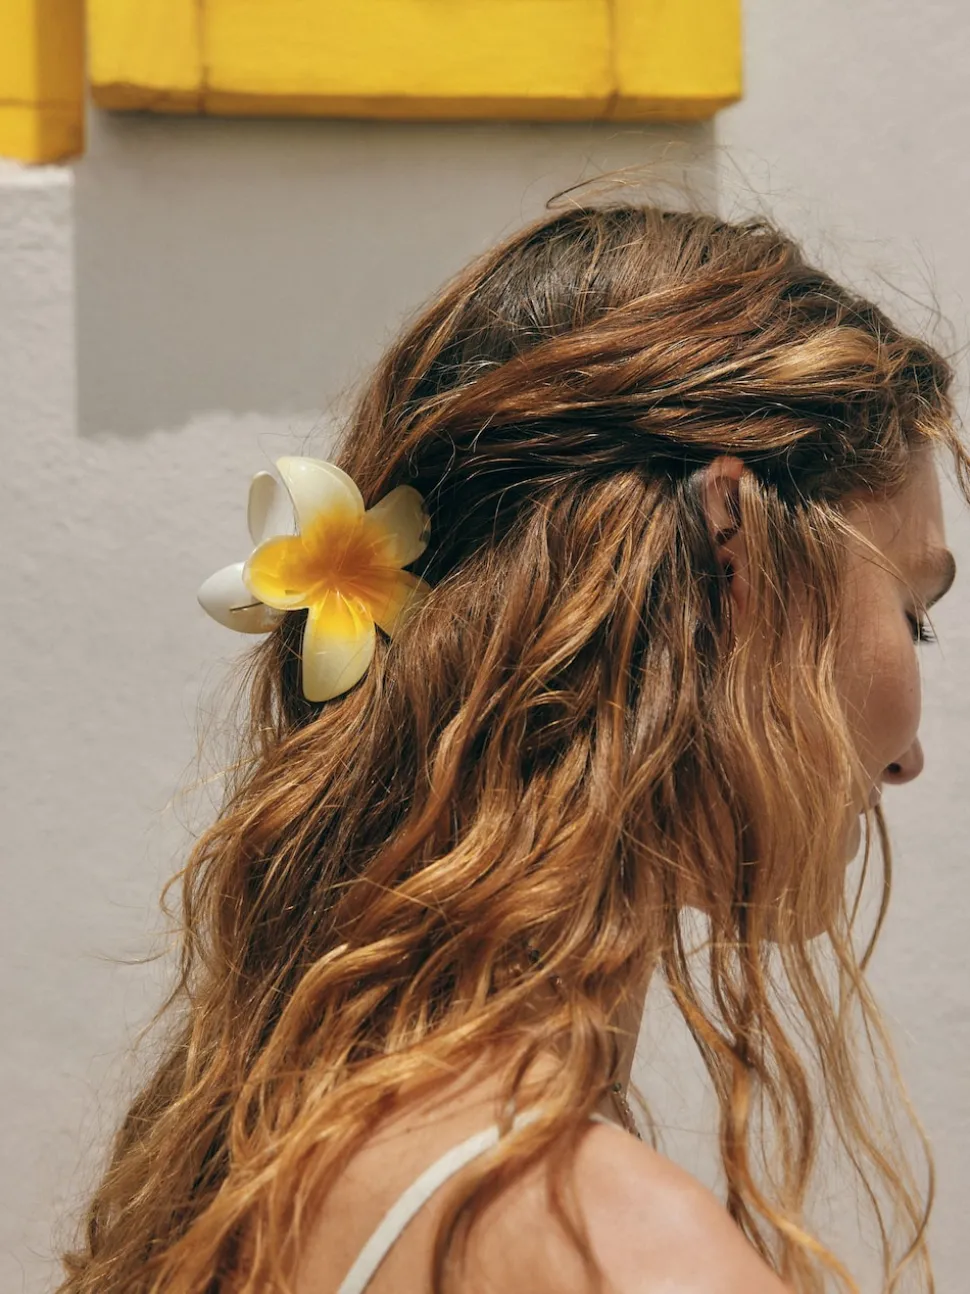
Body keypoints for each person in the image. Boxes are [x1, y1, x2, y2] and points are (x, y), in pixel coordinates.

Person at [57, 202, 967, 1294]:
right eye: (913, 612)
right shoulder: (615, 1254)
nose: (909, 755)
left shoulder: (262, 1154)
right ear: (737, 551)